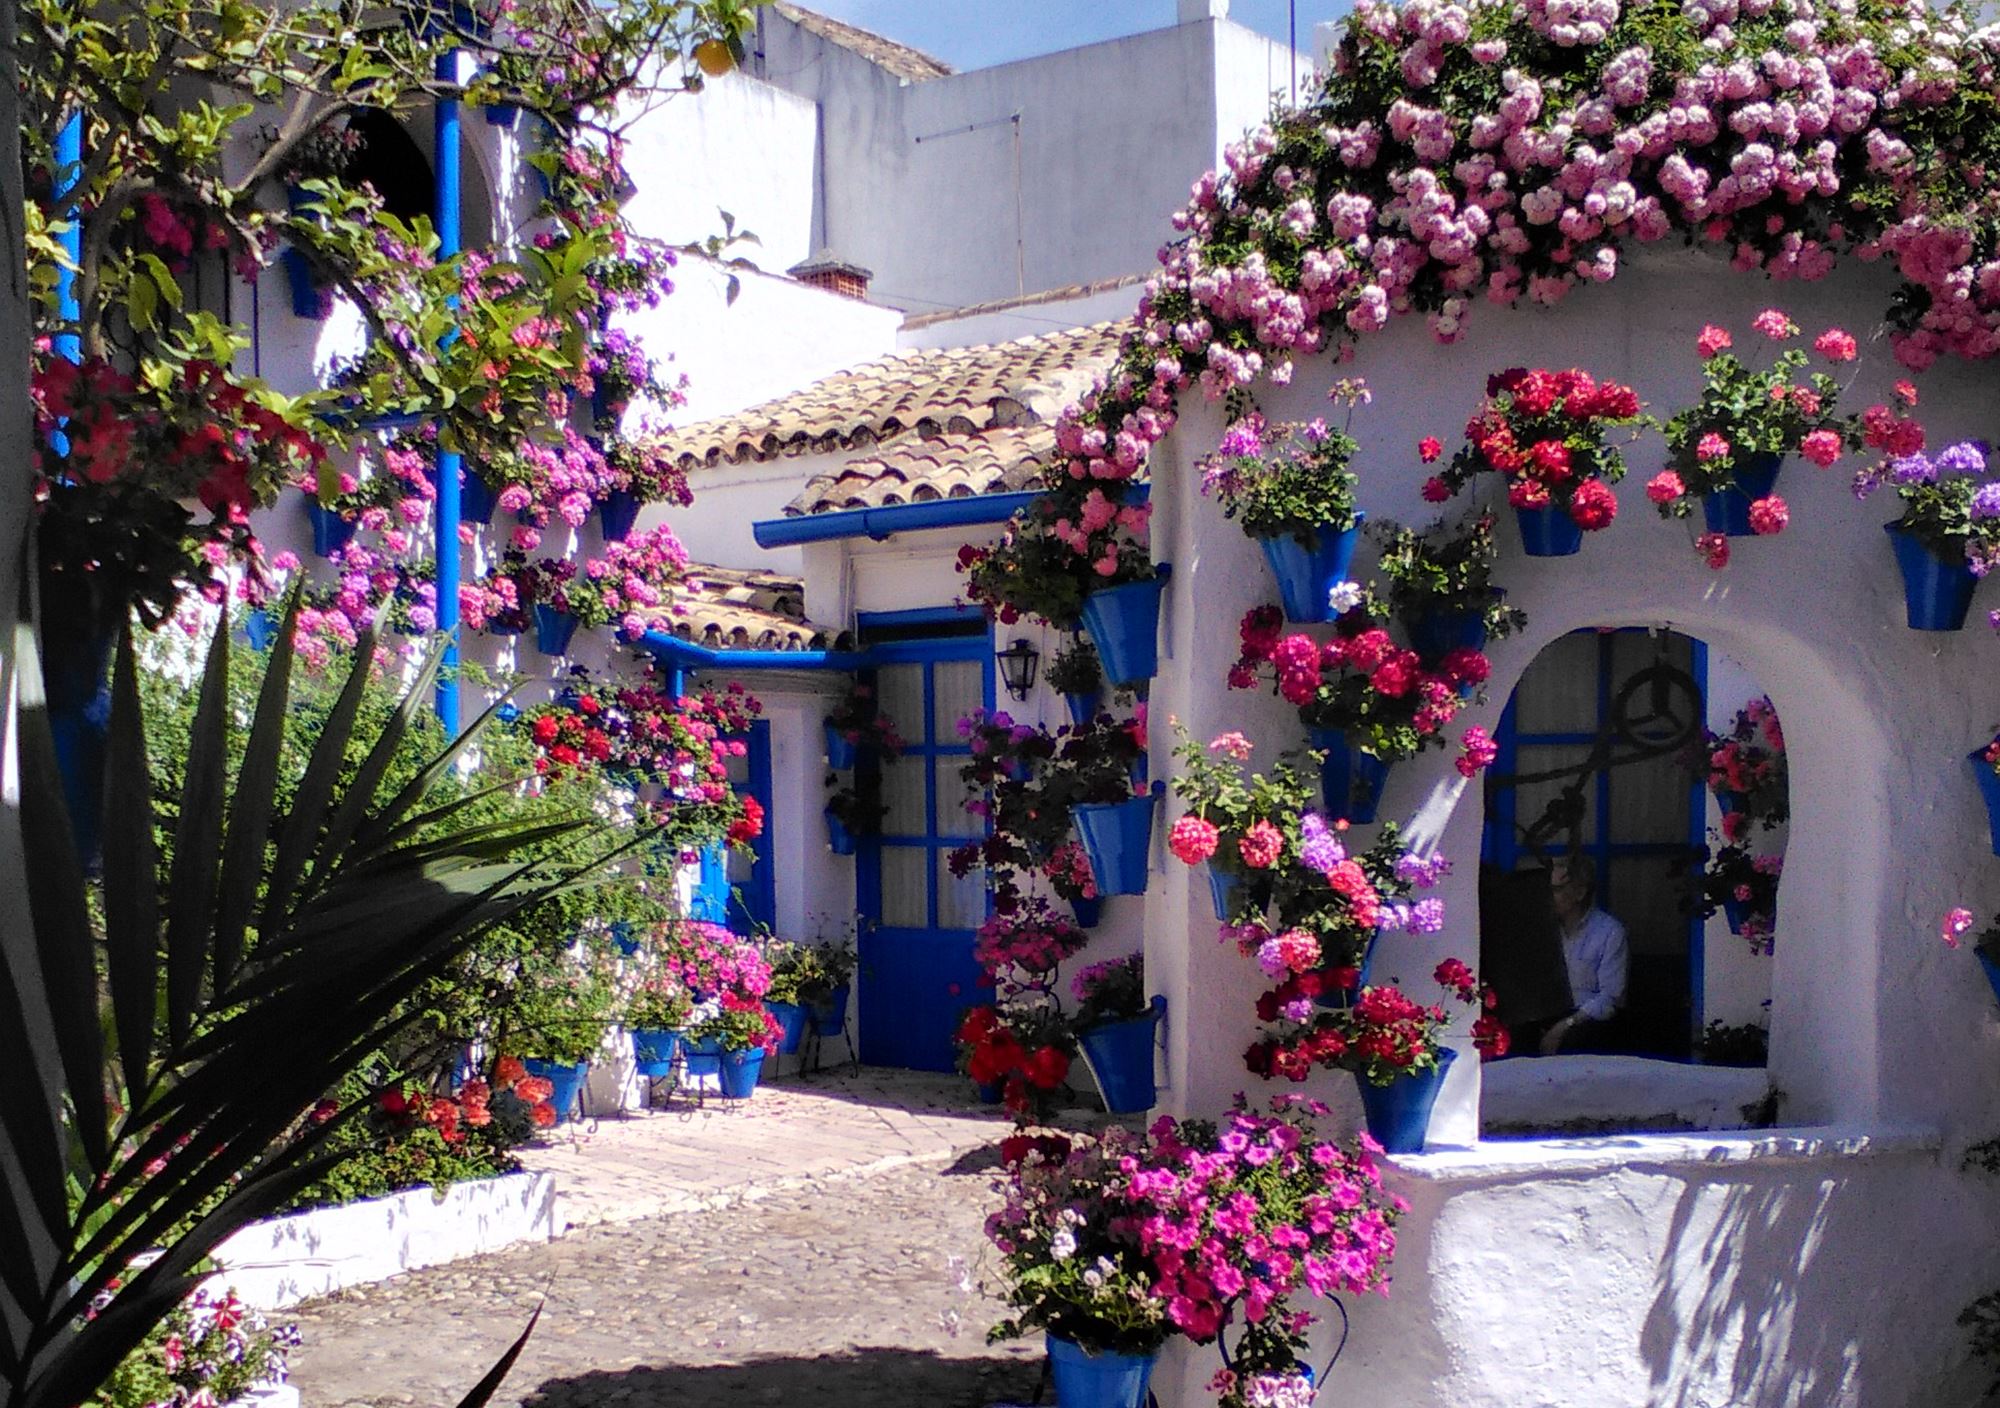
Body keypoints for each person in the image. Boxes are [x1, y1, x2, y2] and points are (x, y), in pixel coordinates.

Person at [1539, 857, 1628, 1056]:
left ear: (1579, 893)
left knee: (1576, 1041)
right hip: (1551, 1012)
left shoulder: (1609, 931)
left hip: (1587, 1018)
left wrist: (1565, 1025)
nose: (1549, 897)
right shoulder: (1547, 930)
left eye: (1557, 890)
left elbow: (1611, 997)